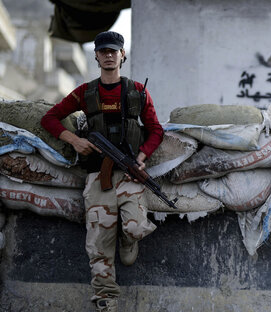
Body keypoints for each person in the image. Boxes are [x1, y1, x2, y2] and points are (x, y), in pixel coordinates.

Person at [41, 31, 164, 312]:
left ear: (123, 55)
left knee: (135, 226)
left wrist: (142, 158)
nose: (109, 55)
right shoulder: (85, 92)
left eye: (114, 51)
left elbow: (156, 130)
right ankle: (106, 300)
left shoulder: (138, 92)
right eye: (103, 51)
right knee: (98, 244)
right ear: (96, 56)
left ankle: (127, 238)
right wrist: (74, 140)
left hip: (131, 173)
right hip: (99, 176)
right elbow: (49, 118)